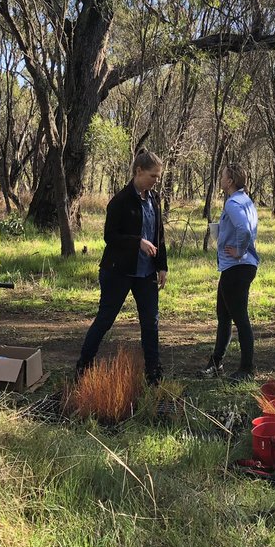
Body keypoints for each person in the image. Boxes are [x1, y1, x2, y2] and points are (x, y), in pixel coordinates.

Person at [75, 149, 168, 384]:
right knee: (105, 319)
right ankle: (83, 366)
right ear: (139, 171)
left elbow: (159, 234)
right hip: (118, 271)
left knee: (151, 322)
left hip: (146, 272)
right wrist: (138, 242)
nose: (156, 181)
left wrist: (162, 266)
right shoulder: (120, 200)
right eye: (153, 176)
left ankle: (153, 372)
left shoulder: (154, 199)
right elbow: (110, 236)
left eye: (158, 177)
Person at [201, 163, 260, 381]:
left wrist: (239, 251)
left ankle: (247, 369)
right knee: (224, 315)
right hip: (238, 267)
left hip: (237, 267)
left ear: (230, 181)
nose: (220, 178)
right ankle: (216, 363)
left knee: (240, 318)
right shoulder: (245, 200)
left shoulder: (233, 203)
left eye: (223, 175)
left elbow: (244, 229)